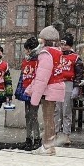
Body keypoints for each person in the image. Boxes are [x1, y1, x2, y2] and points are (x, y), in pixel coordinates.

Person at [25, 26, 66, 156]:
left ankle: (48, 146)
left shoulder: (46, 54)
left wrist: (34, 98)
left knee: (48, 118)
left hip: (49, 89)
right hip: (55, 87)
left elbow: (42, 78)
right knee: (50, 118)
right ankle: (47, 144)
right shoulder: (57, 52)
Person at [53, 33, 84, 147]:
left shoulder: (75, 57)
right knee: (56, 109)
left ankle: (66, 134)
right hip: (57, 82)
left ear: (70, 45)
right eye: (62, 44)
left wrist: (76, 87)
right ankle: (55, 132)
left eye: (65, 44)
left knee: (66, 109)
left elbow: (79, 74)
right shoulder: (57, 55)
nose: (63, 47)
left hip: (68, 83)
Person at [14, 36, 41, 151]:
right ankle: (29, 138)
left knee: (33, 115)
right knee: (28, 115)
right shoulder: (27, 60)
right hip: (27, 88)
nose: (25, 51)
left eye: (26, 49)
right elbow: (23, 75)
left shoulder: (37, 60)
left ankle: (36, 138)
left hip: (33, 90)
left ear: (30, 49)